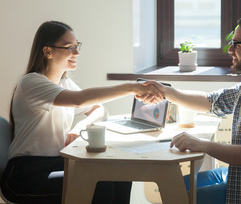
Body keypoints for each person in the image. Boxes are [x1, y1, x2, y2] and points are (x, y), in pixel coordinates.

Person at [139, 14, 241, 203]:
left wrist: (201, 144)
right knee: (174, 185)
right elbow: (213, 102)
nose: (230, 50)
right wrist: (167, 93)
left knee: (177, 195)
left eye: (237, 44)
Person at [0, 21, 163, 204]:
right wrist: (131, 88)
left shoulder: (64, 83)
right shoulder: (31, 83)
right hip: (25, 175)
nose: (76, 53)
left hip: (56, 163)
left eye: (77, 46)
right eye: (69, 47)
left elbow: (99, 108)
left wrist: (81, 126)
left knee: (119, 174)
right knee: (100, 186)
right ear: (47, 51)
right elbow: (80, 99)